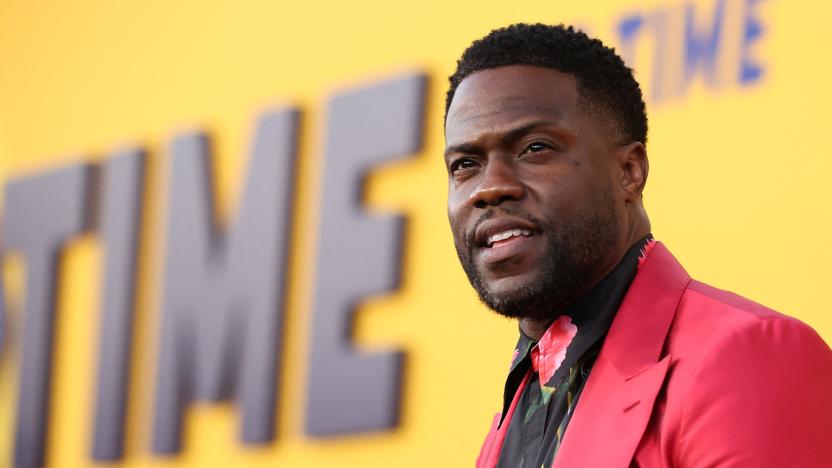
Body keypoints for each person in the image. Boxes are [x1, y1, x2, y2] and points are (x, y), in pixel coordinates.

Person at [443, 23, 832, 468]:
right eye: (465, 164)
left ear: (629, 171)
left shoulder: (746, 359)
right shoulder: (514, 412)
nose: (488, 188)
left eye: (534, 148)